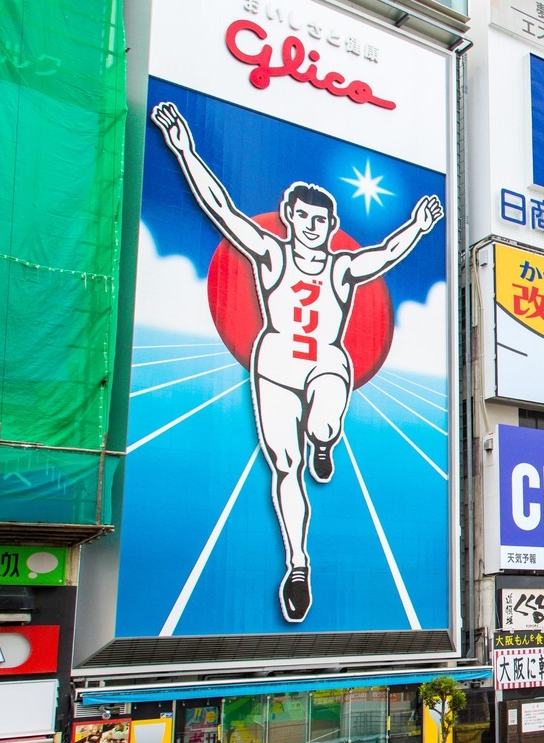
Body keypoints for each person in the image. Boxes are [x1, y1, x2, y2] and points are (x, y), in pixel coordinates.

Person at [150, 102, 444, 624]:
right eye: (303, 217)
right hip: (276, 362)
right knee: (285, 466)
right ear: (290, 218)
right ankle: (298, 564)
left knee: (324, 421)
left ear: (332, 226)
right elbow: (223, 210)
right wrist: (184, 150)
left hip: (326, 361)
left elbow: (386, 254)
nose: (311, 227)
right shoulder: (271, 253)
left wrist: (419, 227)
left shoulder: (343, 267)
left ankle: (325, 441)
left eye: (320, 220)